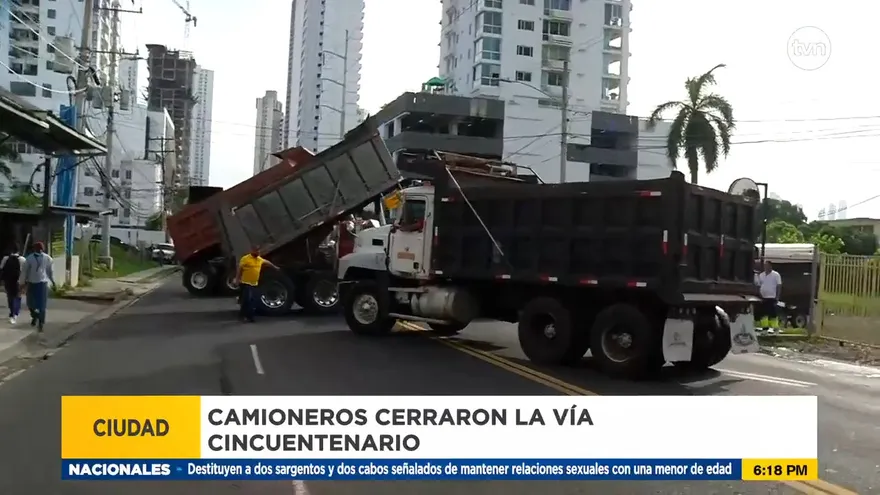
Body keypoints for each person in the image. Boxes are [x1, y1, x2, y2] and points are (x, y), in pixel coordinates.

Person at [234, 247, 278, 323]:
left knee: (250, 300)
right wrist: (237, 279)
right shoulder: (245, 259)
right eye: (256, 251)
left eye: (259, 251)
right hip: (246, 283)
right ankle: (249, 317)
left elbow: (267, 262)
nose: (258, 252)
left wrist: (275, 267)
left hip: (254, 283)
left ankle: (243, 315)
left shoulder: (259, 259)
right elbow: (240, 270)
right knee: (248, 299)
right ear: (252, 251)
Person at [20, 242, 56, 331]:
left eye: (41, 248)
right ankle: (35, 316)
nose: (40, 250)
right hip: (32, 283)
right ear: (35, 249)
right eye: (38, 248)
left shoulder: (47, 258)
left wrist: (53, 281)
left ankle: (41, 323)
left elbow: (50, 271)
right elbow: (25, 272)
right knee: (30, 304)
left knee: (42, 305)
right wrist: (22, 282)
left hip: (42, 283)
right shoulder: (29, 259)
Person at [0, 244, 26, 324]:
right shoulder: (22, 259)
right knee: (17, 297)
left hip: (8, 281)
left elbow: (1, 269)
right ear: (19, 251)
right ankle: (15, 313)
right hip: (18, 281)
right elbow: (25, 271)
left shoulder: (5, 258)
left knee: (10, 297)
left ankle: (12, 313)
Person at [755, 260, 782, 331]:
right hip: (763, 297)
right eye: (764, 266)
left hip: (772, 297)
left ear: (770, 266)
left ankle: (775, 328)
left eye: (767, 265)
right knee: (763, 314)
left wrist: (777, 297)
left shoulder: (776, 275)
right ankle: (765, 329)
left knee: (772, 314)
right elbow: (758, 285)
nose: (765, 267)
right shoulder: (761, 275)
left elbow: (779, 286)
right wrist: (759, 295)